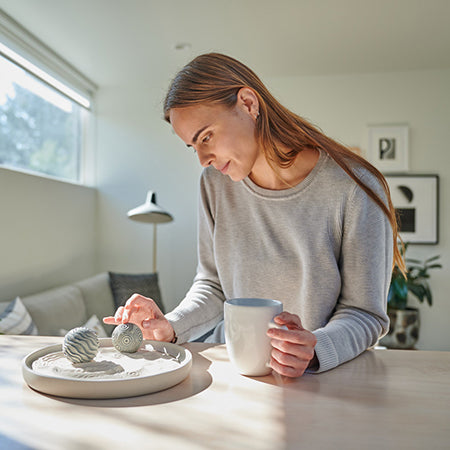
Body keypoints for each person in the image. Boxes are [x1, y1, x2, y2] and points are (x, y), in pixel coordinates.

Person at [104, 53, 405, 378]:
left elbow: (364, 314)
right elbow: (213, 284)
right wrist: (170, 325)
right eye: (194, 146)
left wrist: (314, 348)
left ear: (248, 103)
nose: (203, 159)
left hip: (319, 380)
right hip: (232, 370)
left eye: (206, 137)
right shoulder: (214, 184)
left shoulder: (354, 187)